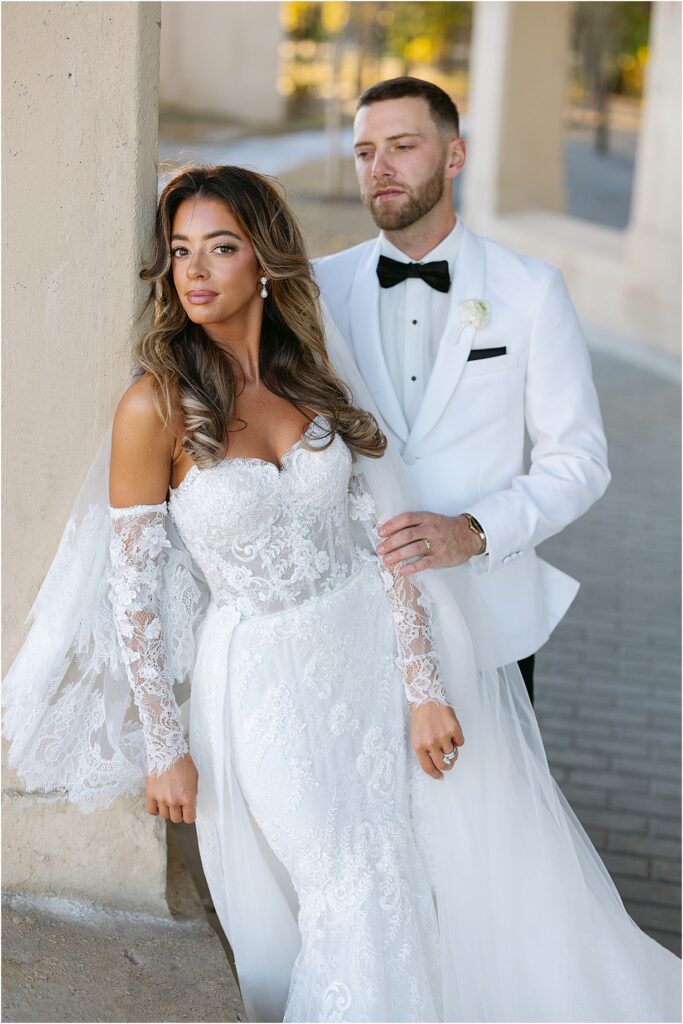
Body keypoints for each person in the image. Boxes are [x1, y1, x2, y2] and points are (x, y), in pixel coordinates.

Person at [3, 165, 679, 1024]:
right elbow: (130, 589)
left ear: (265, 263)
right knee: (346, 888)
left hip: (370, 651)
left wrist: (425, 690)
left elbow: (379, 542)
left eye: (220, 247)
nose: (196, 271)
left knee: (407, 873)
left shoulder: (311, 378)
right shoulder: (156, 405)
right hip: (266, 682)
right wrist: (163, 746)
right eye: (179, 252)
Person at [314, 77, 612, 705]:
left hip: (492, 621)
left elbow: (579, 462)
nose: (380, 168)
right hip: (354, 617)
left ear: (455, 156)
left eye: (402, 146)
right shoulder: (318, 292)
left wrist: (473, 531)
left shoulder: (531, 290)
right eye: (365, 152)